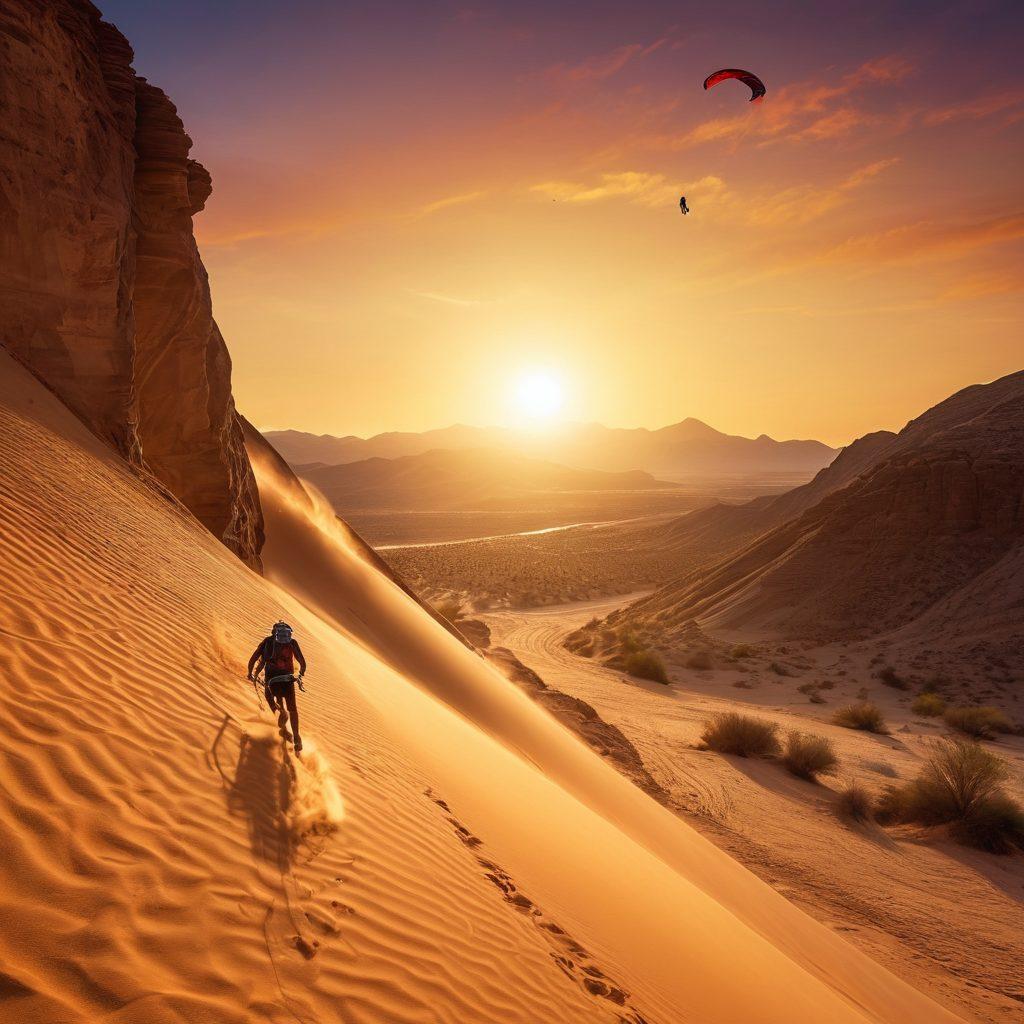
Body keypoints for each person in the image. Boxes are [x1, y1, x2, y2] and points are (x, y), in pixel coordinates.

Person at [248, 621, 307, 752]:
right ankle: (296, 736)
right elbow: (302, 663)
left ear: (273, 632)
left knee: (273, 702)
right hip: (288, 680)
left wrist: (250, 673)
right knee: (293, 709)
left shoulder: (267, 642)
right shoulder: (292, 642)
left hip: (271, 682)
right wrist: (301, 673)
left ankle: (282, 717)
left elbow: (254, 659)